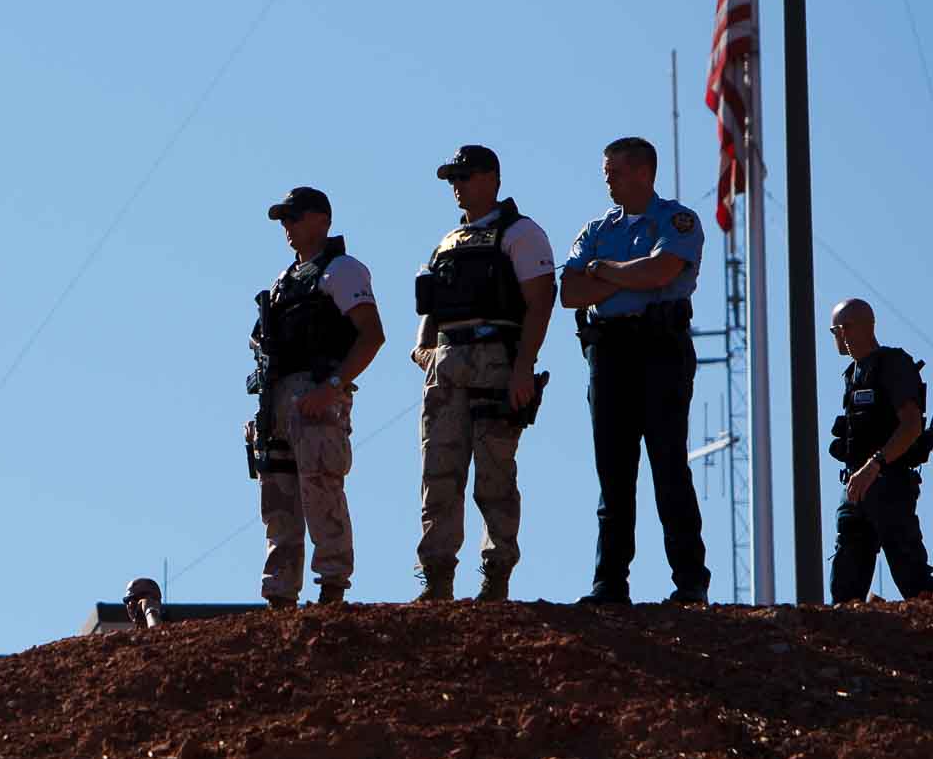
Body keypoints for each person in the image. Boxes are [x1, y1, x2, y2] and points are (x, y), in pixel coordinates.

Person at [560, 136, 712, 605]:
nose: (607, 179)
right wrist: (623, 274)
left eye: (615, 171)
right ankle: (610, 582)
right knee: (614, 472)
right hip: (608, 352)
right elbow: (569, 291)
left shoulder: (675, 220)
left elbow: (661, 272)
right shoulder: (597, 228)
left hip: (660, 347)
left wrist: (604, 273)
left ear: (643, 172)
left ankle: (689, 582)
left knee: (668, 466)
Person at [410, 145, 556, 602]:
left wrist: (522, 369)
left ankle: (496, 575)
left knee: (494, 472)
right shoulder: (448, 242)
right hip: (448, 363)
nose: (458, 185)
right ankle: (437, 579)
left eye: (466, 176)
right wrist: (424, 352)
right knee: (439, 473)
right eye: (453, 178)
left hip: (496, 358)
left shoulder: (521, 233)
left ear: (492, 177)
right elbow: (429, 307)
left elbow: (540, 301)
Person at [247, 186, 386, 607]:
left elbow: (371, 335)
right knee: (279, 497)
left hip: (317, 392)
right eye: (284, 219)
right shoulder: (283, 283)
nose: (287, 227)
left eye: (295, 217)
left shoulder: (341, 270)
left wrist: (333, 388)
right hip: (278, 399)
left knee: (321, 485)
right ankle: (280, 593)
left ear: (321, 219)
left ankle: (331, 587)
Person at [827, 298, 933, 601]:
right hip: (856, 488)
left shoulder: (892, 364)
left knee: (909, 569)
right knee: (846, 580)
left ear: (852, 329)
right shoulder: (853, 374)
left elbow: (911, 425)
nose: (837, 336)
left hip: (888, 482)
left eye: (838, 329)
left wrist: (874, 465)